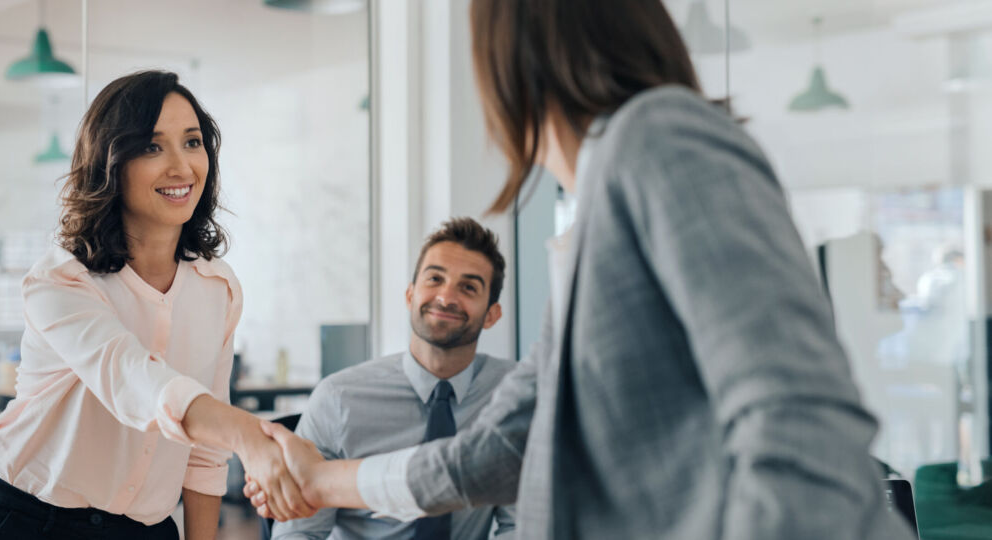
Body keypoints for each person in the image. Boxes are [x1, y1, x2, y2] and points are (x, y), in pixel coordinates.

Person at [245, 1, 919, 538]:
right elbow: (499, 451)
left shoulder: (661, 136)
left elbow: (798, 421)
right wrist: (322, 479)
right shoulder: (586, 228)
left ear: (512, 58)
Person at [0, 70, 310, 540]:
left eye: (192, 142)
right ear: (110, 163)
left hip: (146, 528)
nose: (181, 167)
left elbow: (203, 455)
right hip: (25, 519)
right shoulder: (61, 279)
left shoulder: (217, 287)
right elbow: (135, 380)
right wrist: (249, 436)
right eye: (152, 147)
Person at [272, 217, 516, 540]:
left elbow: (522, 523)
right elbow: (298, 532)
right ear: (410, 295)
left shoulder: (511, 395)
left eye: (468, 287)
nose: (446, 297)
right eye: (435, 279)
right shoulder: (338, 398)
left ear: (492, 315)